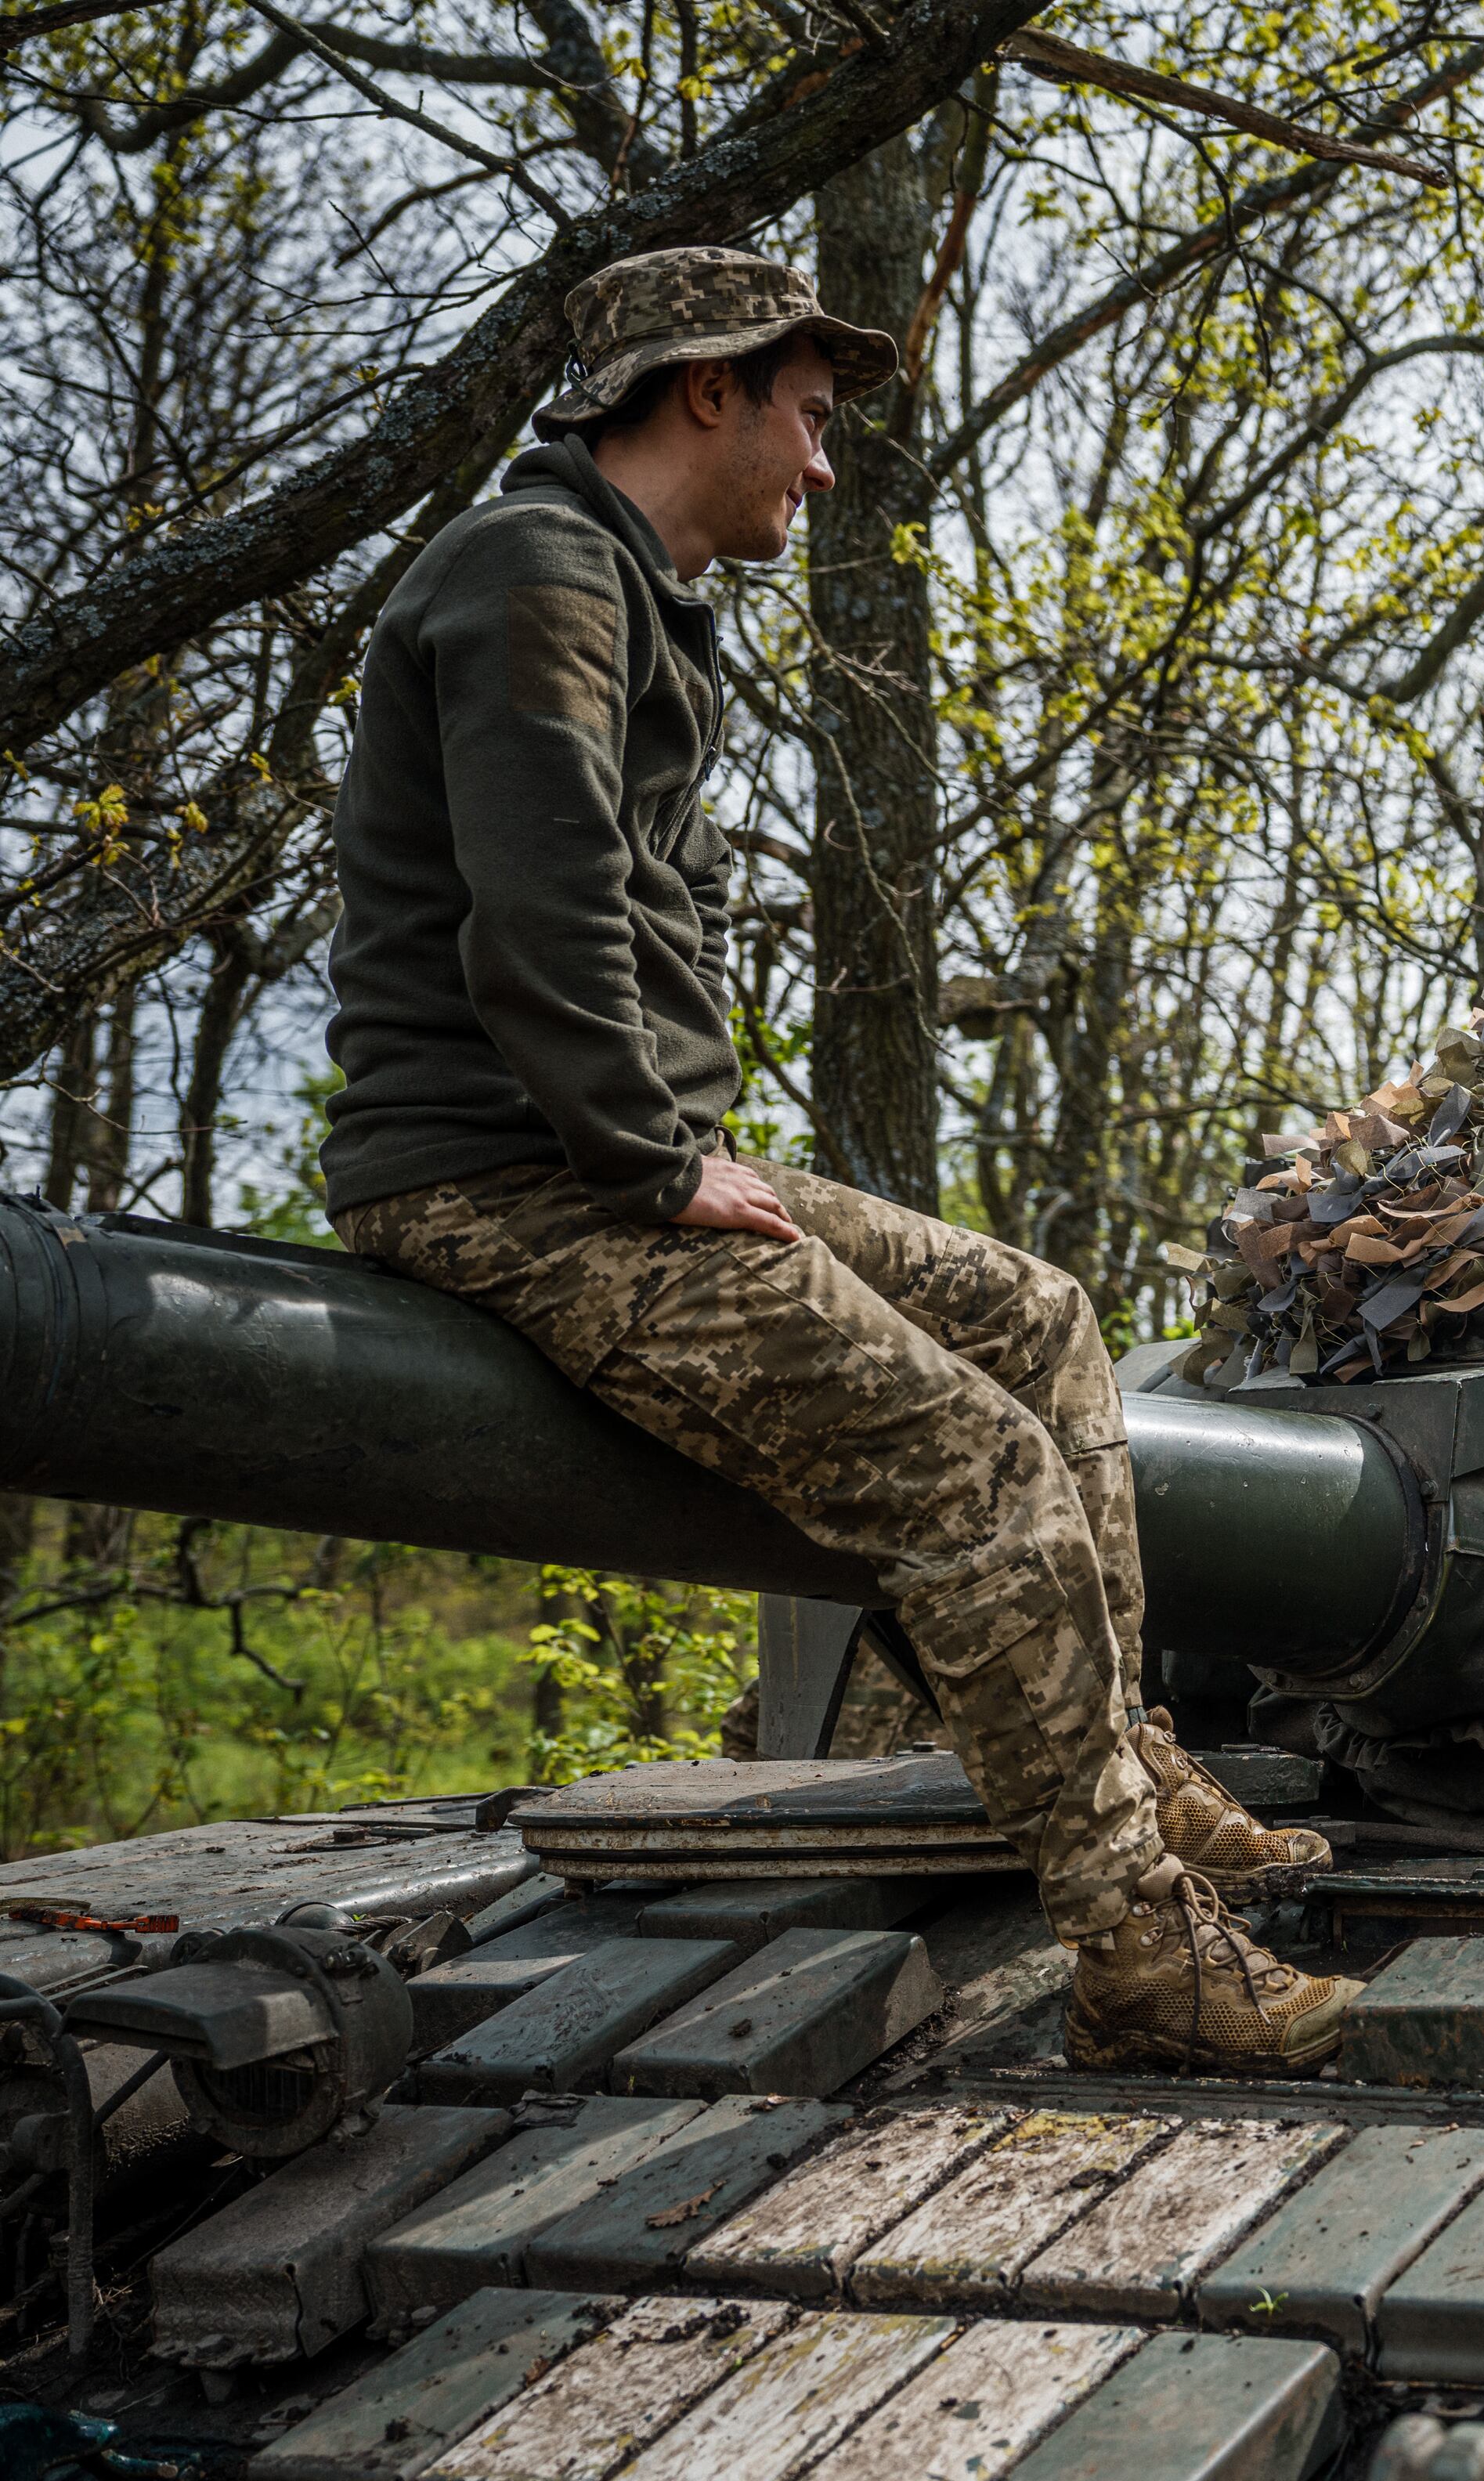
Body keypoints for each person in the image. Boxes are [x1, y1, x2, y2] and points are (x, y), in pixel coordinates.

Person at [317, 247, 1358, 2071]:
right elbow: (536, 898)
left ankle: (1126, 1761)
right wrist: (651, 1158)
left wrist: (666, 1148)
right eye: (807, 418)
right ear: (705, 387)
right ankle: (1144, 1961)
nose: (819, 466)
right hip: (512, 1179)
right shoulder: (537, 572)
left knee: (1041, 1316)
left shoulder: (616, 586)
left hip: (598, 1155)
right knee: (976, 1466)